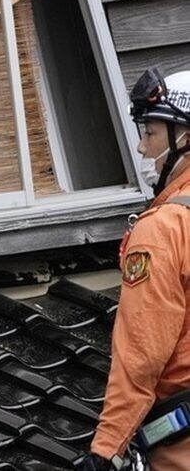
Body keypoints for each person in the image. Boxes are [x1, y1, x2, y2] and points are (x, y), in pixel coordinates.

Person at [76, 68, 190, 471]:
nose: (142, 148)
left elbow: (141, 358)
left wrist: (107, 448)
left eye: (151, 133)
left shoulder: (162, 230)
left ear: (185, 138)